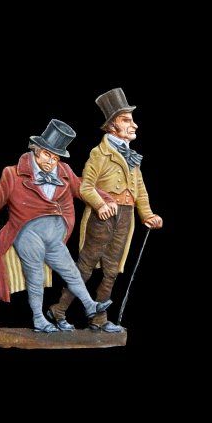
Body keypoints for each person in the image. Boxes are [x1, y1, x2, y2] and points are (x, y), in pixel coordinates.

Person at [0, 119, 114, 332]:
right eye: (47, 154)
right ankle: (38, 319)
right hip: (27, 233)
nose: (51, 161)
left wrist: (106, 200)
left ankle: (90, 306)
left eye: (55, 157)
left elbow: (83, 187)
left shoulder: (64, 172)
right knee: (35, 274)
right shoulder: (12, 174)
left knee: (71, 270)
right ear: (36, 150)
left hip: (54, 237)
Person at [49, 88, 163, 332]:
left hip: (125, 216)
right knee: (86, 266)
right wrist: (100, 204)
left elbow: (140, 190)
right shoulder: (99, 154)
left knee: (112, 269)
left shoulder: (132, 157)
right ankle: (59, 309)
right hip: (103, 216)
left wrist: (148, 214)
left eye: (132, 120)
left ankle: (99, 318)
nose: (134, 125)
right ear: (112, 126)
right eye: (126, 120)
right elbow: (85, 187)